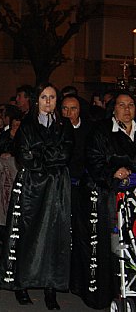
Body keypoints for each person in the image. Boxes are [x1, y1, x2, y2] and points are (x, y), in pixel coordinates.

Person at [0, 83, 74, 310]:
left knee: (54, 236)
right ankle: (22, 284)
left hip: (56, 187)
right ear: (37, 100)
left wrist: (43, 154)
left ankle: (50, 287)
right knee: (27, 234)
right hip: (31, 186)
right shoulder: (27, 125)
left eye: (52, 97)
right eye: (44, 97)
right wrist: (48, 157)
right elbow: (25, 156)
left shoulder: (64, 125)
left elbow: (65, 153)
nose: (49, 101)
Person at [71, 91, 136, 309]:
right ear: (113, 108)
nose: (127, 109)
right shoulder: (101, 132)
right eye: (122, 105)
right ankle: (107, 293)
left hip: (133, 197)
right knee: (108, 248)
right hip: (107, 197)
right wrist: (113, 172)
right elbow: (93, 160)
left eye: (131, 105)